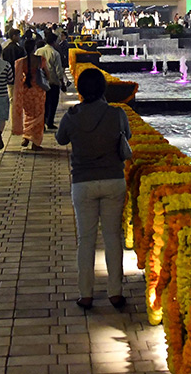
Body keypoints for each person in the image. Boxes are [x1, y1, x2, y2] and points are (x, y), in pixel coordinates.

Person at [55, 66, 132, 311]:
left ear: (79, 89)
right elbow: (127, 136)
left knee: (85, 240)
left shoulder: (73, 115)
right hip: (113, 180)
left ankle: (86, 294)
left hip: (83, 183)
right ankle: (115, 293)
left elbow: (60, 139)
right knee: (112, 237)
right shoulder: (117, 114)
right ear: (103, 89)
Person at [15, 36, 49, 150]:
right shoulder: (41, 60)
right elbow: (47, 74)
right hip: (38, 91)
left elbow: (18, 79)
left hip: (26, 91)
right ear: (34, 48)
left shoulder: (21, 62)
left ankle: (26, 136)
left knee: (28, 115)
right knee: (39, 117)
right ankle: (35, 142)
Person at [37, 30, 66, 129]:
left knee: (43, 103)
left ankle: (42, 122)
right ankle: (49, 122)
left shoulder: (38, 51)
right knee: (53, 103)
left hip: (40, 82)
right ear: (54, 42)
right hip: (53, 82)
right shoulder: (55, 53)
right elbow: (58, 70)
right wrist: (62, 82)